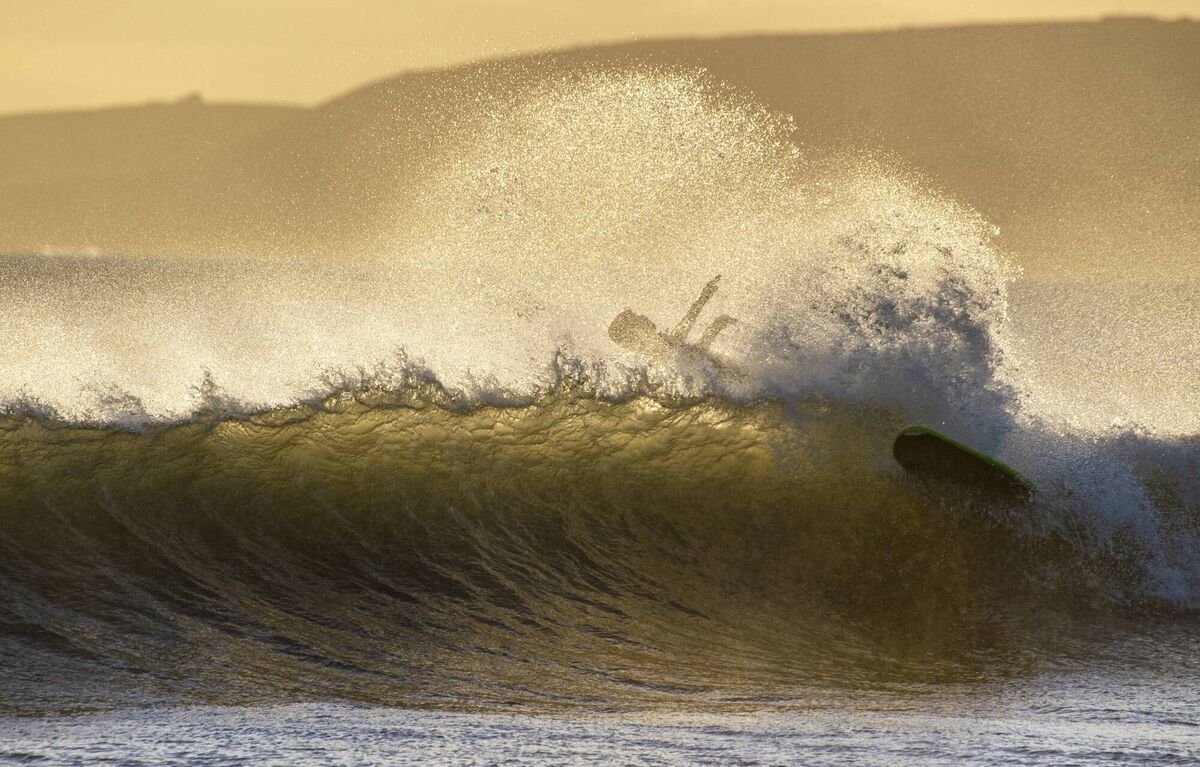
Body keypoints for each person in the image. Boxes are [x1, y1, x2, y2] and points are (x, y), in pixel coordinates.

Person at [608, 275, 739, 374]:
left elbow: (694, 352)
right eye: (637, 318)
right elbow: (697, 354)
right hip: (721, 373)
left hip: (717, 372)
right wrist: (714, 326)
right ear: (635, 330)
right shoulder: (658, 349)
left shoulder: (655, 348)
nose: (642, 316)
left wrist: (714, 325)